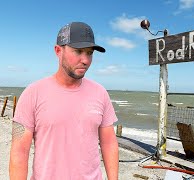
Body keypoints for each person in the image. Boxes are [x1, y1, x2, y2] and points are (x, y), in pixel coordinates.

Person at [9, 22, 119, 180]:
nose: (85, 60)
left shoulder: (100, 93)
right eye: (78, 51)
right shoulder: (33, 93)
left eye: (89, 53)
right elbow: (19, 150)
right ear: (58, 51)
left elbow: (109, 143)